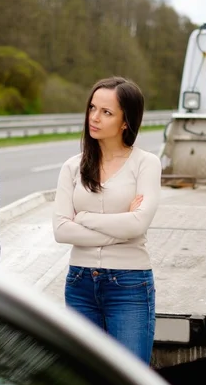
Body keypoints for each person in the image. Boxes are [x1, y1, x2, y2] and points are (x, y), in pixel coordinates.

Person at [52, 76, 161, 364]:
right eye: (92, 108)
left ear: (126, 121)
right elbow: (62, 230)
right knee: (87, 382)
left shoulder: (146, 163)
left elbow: (138, 225)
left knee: (131, 381)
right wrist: (122, 226)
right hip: (80, 282)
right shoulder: (72, 166)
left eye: (106, 112)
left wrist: (85, 217)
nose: (94, 117)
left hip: (129, 284)